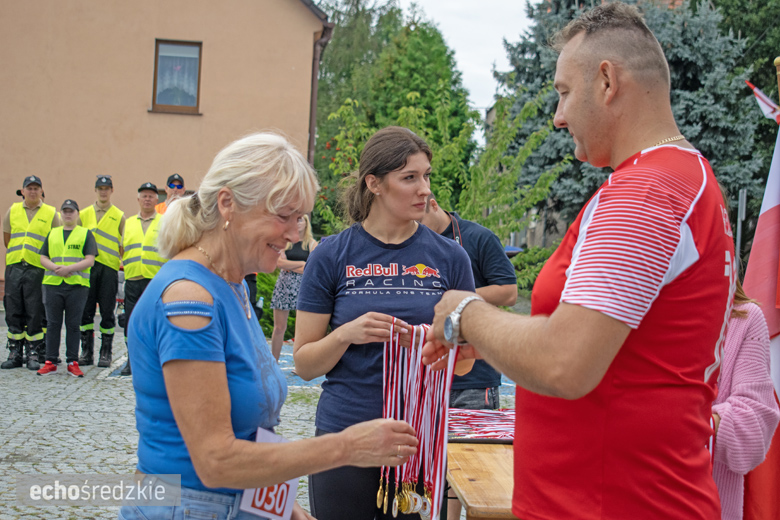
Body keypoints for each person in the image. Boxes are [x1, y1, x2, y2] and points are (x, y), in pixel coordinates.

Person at [422, 3, 735, 519]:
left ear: (607, 81)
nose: (558, 115)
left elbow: (565, 364)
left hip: (613, 502)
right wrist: (496, 338)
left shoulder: (646, 192)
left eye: (564, 91)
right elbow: (623, 346)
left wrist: (465, 312)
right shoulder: (682, 179)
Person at [120, 132, 417, 520]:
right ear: (227, 203)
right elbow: (216, 461)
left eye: (300, 218)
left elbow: (249, 435)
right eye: (283, 216)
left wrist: (285, 506)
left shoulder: (232, 285)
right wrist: (345, 447)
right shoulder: (189, 301)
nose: (295, 234)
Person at [294, 126, 476, 520]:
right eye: (409, 177)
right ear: (373, 183)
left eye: (426, 175)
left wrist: (440, 350)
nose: (424, 188)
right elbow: (305, 364)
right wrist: (346, 334)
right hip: (345, 433)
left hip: (415, 440)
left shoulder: (451, 258)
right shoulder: (331, 255)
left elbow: (465, 363)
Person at [419, 193, 517, 520]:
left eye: (419, 221)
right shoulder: (415, 243)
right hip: (431, 376)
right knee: (428, 472)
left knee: (468, 472)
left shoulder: (478, 237)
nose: (414, 230)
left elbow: (508, 290)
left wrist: (455, 299)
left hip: (476, 381)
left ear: (433, 204)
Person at [712, 279, 780, 520]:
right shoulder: (619, 311)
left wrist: (682, 423)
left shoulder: (743, 318)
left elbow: (753, 434)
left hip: (712, 508)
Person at [1, 175, 60, 370]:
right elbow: (8, 239)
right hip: (15, 267)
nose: (33, 192)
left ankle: (34, 352)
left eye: (36, 188)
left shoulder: (51, 213)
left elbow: (56, 242)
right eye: (29, 188)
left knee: (35, 311)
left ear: (41, 191)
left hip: (37, 269)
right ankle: (15, 352)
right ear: (23, 191)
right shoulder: (13, 210)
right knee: (13, 309)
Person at [37, 199, 97, 377]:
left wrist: (68, 269)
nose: (68, 214)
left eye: (71, 211)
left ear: (77, 214)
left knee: (73, 325)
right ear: (60, 214)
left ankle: (73, 361)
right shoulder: (53, 233)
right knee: (53, 324)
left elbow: (90, 259)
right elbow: (43, 257)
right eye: (65, 211)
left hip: (76, 286)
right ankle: (50, 361)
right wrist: (56, 268)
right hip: (53, 285)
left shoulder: (85, 234)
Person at [117, 182, 165, 377]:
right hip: (133, 279)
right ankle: (132, 360)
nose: (147, 199)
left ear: (156, 200)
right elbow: (122, 250)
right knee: (131, 321)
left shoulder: (163, 222)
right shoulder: (128, 223)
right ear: (138, 199)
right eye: (144, 195)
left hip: (155, 281)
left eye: (151, 196)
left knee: (155, 321)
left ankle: (154, 361)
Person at [79, 175, 125, 368]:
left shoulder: (119, 215)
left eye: (107, 188)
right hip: (88, 269)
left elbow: (123, 245)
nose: (103, 191)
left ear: (112, 190)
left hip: (108, 269)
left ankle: (105, 352)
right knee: (86, 311)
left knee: (107, 312)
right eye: (100, 188)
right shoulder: (84, 214)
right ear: (95, 190)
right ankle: (86, 351)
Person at [270, 214, 317, 360]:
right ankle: (273, 362)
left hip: (304, 286)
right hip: (284, 284)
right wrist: (302, 264)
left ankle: (301, 363)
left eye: (301, 219)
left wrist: (294, 266)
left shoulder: (311, 243)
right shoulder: (286, 241)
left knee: (303, 329)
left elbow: (312, 268)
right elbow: (280, 263)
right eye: (295, 219)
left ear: (306, 223)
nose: (298, 223)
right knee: (279, 328)